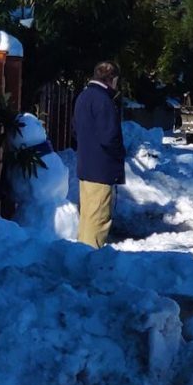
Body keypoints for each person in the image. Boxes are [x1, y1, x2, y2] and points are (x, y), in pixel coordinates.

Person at [73, 61, 125, 248]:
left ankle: (81, 253)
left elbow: (75, 130)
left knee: (87, 217)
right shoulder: (104, 101)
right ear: (112, 79)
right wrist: (119, 154)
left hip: (85, 165)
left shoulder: (83, 96)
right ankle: (90, 256)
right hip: (102, 168)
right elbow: (109, 137)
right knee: (98, 220)